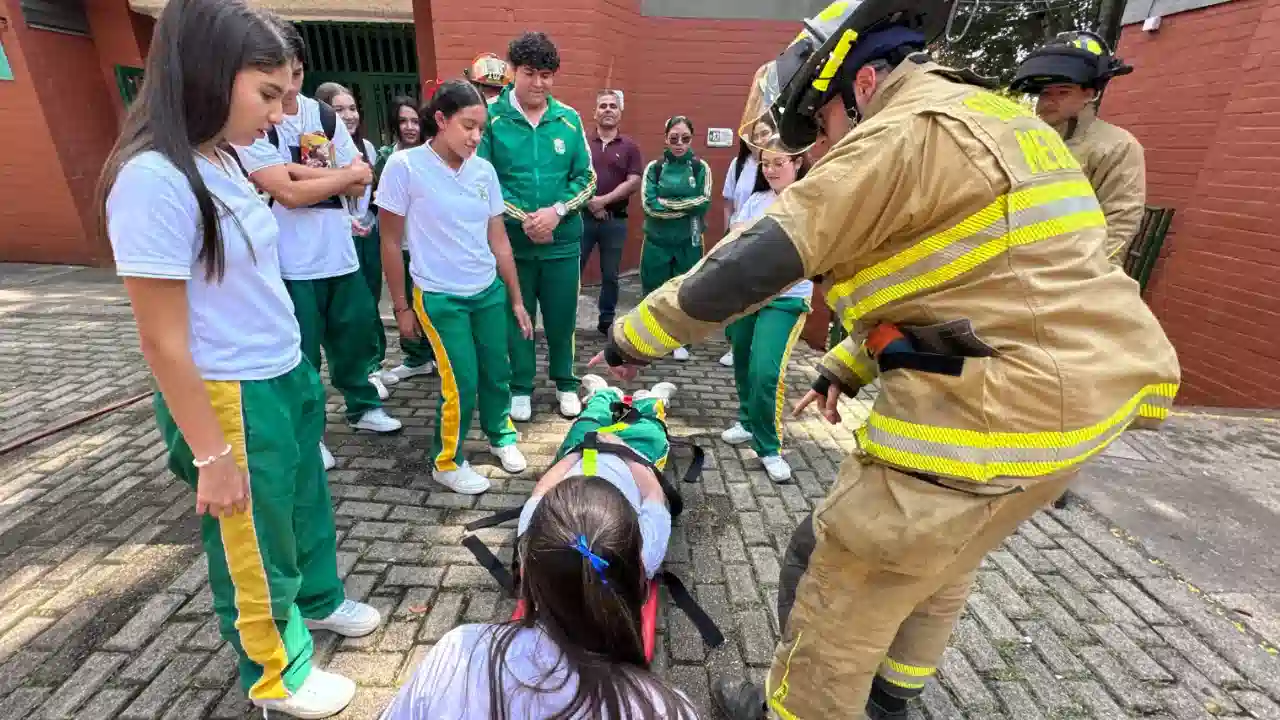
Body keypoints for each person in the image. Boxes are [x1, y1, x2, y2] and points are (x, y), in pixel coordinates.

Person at [589, 2, 1180, 718]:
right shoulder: (1011, 124)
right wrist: (847, 363)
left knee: (838, 574)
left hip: (986, 421)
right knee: (941, 565)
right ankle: (891, 699)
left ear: (862, 84)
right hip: (1079, 413)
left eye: (825, 124)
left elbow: (745, 269)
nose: (824, 147)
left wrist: (629, 341)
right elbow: (973, 290)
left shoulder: (901, 134)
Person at [98, 2, 381, 717]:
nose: (282, 111)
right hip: (231, 387)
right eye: (267, 94)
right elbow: (161, 339)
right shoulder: (154, 180)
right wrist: (211, 456)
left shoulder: (227, 154)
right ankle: (275, 669)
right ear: (206, 76)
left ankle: (317, 599)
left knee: (301, 501)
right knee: (252, 534)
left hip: (282, 366)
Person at [379, 420, 695, 720]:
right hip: (627, 461)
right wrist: (625, 450)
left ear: (529, 576)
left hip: (577, 464)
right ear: (638, 576)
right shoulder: (665, 708)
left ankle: (599, 400)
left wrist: (579, 448)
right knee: (650, 432)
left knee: (588, 422)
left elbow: (541, 490)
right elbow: (653, 493)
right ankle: (631, 399)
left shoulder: (457, 653)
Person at [233, 19, 402, 472]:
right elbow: (283, 191)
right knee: (302, 350)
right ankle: (311, 434)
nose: (287, 88)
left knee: (353, 336)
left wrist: (307, 175)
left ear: (301, 68)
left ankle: (364, 406)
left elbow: (361, 173)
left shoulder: (322, 115)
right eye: (276, 78)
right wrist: (333, 178)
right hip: (290, 260)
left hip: (338, 251)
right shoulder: (253, 123)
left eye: (294, 72)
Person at [376, 80, 532, 495]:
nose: (476, 137)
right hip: (440, 295)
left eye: (481, 128)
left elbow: (499, 239)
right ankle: (446, 461)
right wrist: (401, 307)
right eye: (468, 126)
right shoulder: (404, 167)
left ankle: (501, 435)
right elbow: (389, 241)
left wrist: (515, 298)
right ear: (441, 120)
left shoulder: (483, 170)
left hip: (486, 290)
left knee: (497, 370)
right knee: (460, 379)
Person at [479, 31, 597, 421]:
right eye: (530, 73)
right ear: (513, 71)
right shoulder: (492, 118)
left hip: (562, 242)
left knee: (563, 317)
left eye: (547, 75)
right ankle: (521, 387)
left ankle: (565, 382)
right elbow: (483, 178)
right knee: (518, 315)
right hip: (512, 243)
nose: (539, 83)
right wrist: (526, 219)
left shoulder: (568, 119)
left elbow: (587, 178)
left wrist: (556, 212)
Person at [1012, 31, 1146, 265]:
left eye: (1063, 92)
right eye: (1045, 93)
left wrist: (1092, 277)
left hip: (1067, 270)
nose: (1050, 100)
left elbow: (1121, 220)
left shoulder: (1116, 145)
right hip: (1012, 264)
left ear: (1090, 94)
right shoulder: (1022, 137)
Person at [720, 149, 813, 483]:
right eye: (766, 163)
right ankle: (746, 421)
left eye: (780, 163)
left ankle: (770, 447)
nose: (771, 170)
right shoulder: (757, 198)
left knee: (765, 371)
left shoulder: (809, 197)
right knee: (743, 360)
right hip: (749, 296)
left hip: (787, 299)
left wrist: (753, 231)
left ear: (798, 162)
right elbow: (736, 234)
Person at [314, 82, 397, 400]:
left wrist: (369, 217)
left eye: (351, 108)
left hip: (367, 233)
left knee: (370, 302)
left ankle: (373, 364)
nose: (347, 116)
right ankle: (360, 373)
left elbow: (369, 194)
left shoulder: (367, 147)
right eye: (338, 110)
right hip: (338, 240)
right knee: (350, 311)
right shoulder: (319, 147)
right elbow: (329, 194)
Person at [373, 96, 437, 384]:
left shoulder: (433, 155)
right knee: (406, 301)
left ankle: (438, 354)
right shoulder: (387, 157)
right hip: (401, 243)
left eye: (414, 120)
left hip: (430, 244)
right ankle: (416, 357)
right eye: (403, 121)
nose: (410, 127)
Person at [639, 115, 712, 362]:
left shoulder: (700, 168)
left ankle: (681, 340)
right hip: (656, 241)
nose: (679, 143)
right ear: (665, 139)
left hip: (689, 241)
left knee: (685, 292)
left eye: (685, 138)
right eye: (674, 138)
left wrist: (666, 204)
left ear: (692, 139)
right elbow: (649, 206)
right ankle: (653, 338)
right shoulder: (655, 168)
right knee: (654, 291)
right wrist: (683, 207)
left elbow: (703, 202)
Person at [583, 89, 643, 336]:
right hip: (583, 218)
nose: (608, 109)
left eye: (612, 106)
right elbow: (572, 176)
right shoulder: (582, 143)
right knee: (572, 270)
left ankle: (606, 320)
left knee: (611, 274)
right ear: (595, 112)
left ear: (620, 113)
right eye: (603, 106)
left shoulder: (630, 147)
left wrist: (603, 202)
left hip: (615, 221)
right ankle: (564, 317)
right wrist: (589, 202)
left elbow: (634, 181)